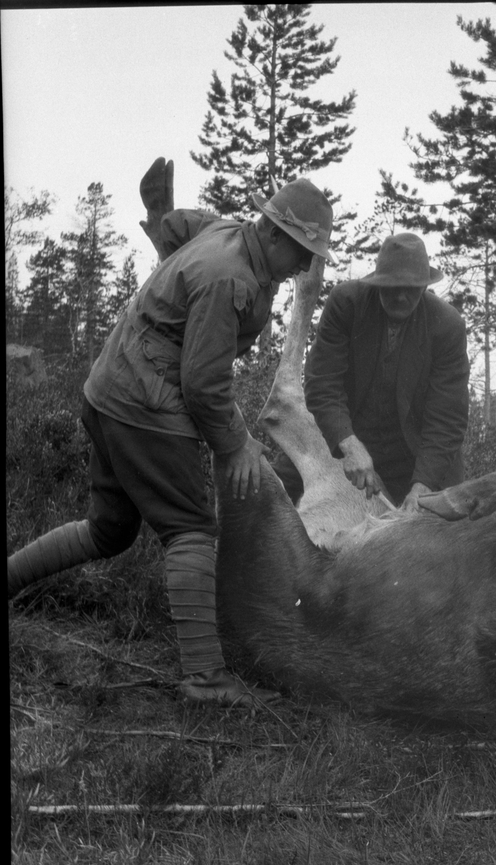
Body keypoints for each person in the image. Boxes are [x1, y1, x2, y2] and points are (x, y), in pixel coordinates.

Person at [7, 177, 337, 707]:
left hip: (108, 391)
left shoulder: (227, 231)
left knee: (108, 529)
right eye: (302, 253)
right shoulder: (229, 279)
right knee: (190, 529)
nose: (304, 266)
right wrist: (237, 445)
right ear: (275, 235)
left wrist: (160, 216)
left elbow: (177, 227)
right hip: (145, 404)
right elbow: (203, 386)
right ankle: (206, 680)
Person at [276, 233, 469, 510]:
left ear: (425, 286)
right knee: (274, 489)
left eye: (411, 288)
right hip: (344, 433)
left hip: (413, 455)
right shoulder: (346, 303)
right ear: (377, 281)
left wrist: (422, 484)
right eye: (391, 287)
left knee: (433, 533)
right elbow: (322, 383)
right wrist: (348, 443)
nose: (401, 296)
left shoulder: (447, 326)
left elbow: (447, 419)